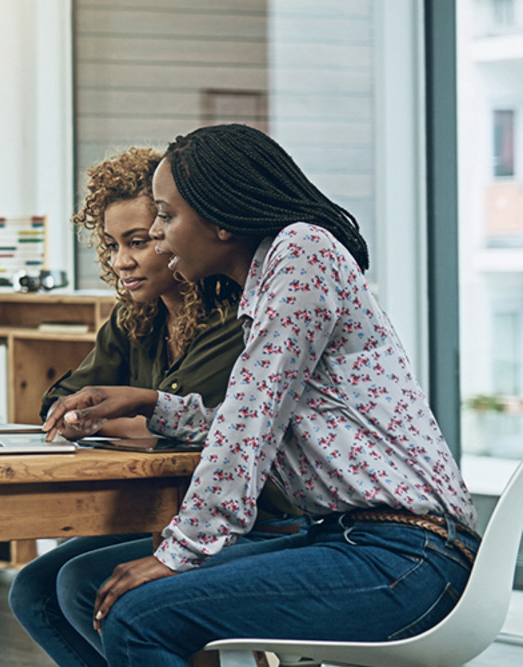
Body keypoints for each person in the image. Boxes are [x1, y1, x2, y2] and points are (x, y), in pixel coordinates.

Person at [43, 123, 477, 666]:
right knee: (90, 585)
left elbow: (249, 426)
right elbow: (254, 415)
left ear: (220, 219)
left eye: (166, 215)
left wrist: (179, 553)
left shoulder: (302, 253)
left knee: (139, 613)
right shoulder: (271, 276)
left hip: (409, 554)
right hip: (349, 539)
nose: (157, 234)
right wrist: (152, 405)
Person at [11, 147, 303, 667]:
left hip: (255, 518)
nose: (122, 261)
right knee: (32, 588)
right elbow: (61, 398)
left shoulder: (233, 318)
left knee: (82, 580)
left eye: (139, 241)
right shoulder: (134, 320)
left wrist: (119, 412)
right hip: (165, 511)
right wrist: (88, 415)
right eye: (112, 245)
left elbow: (177, 418)